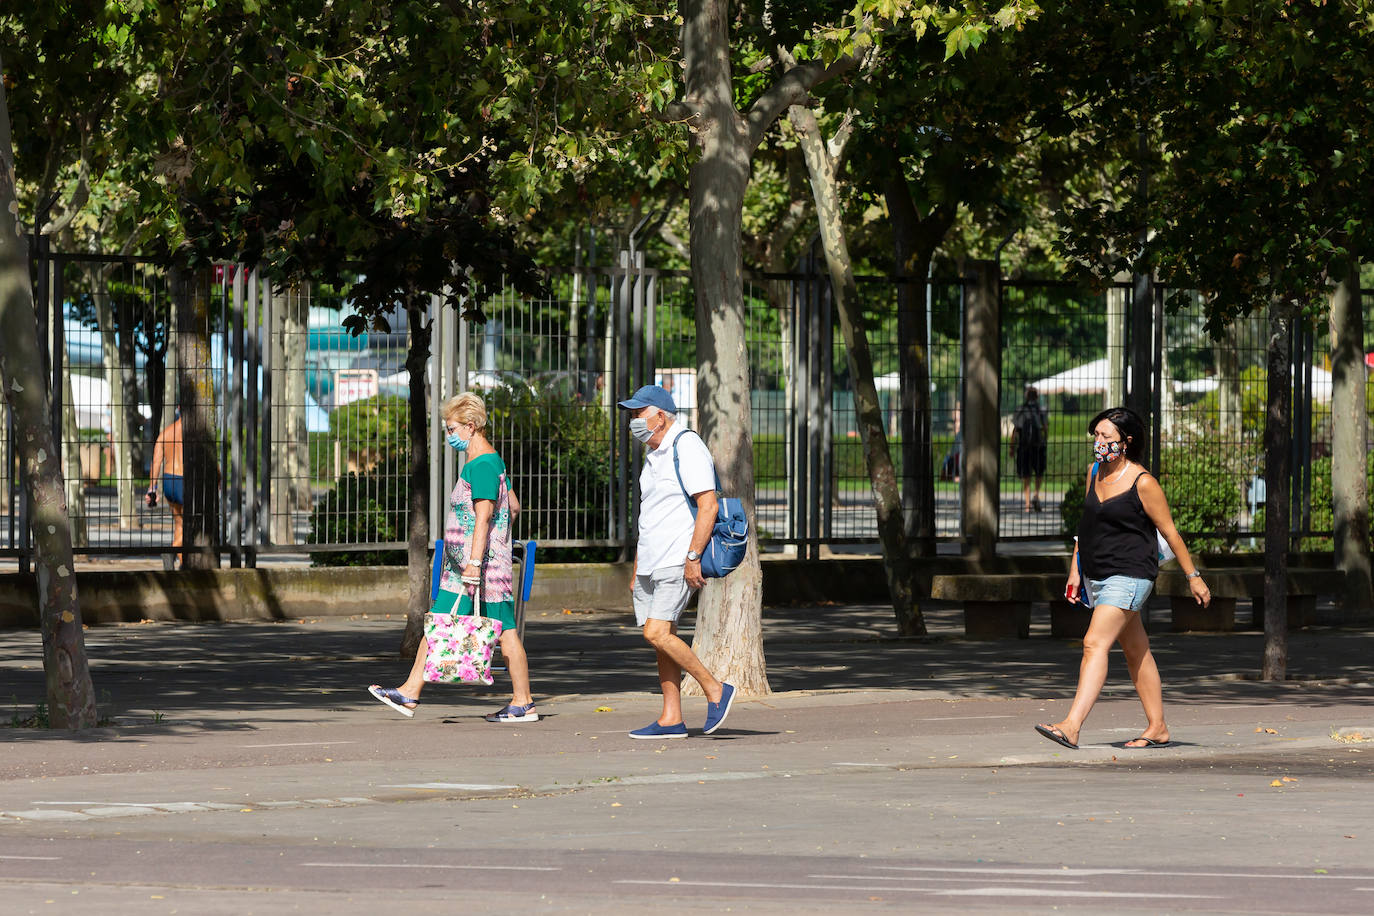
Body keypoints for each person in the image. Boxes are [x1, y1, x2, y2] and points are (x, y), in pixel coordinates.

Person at [1035, 406, 1210, 751]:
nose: (1099, 442)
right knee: (1136, 651)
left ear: (1126, 442)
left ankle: (1071, 726)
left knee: (1093, 644)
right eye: (1096, 436)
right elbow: (1085, 528)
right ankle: (1158, 726)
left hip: (1131, 575)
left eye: (1106, 437)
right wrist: (1076, 567)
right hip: (1098, 574)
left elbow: (1170, 532)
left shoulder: (1143, 482)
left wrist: (1193, 576)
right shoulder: (1095, 472)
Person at [368, 392, 535, 723]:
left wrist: (476, 561)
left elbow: (485, 515)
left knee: (506, 631)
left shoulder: (484, 464)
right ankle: (409, 692)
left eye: (452, 428)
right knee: (438, 622)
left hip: (481, 570)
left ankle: (523, 701)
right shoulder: (486, 462)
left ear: (470, 427)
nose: (449, 435)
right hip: (466, 569)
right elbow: (512, 506)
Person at [617, 384, 736, 739]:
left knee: (656, 632)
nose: (634, 421)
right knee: (660, 637)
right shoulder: (655, 453)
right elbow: (650, 514)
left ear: (660, 416)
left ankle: (715, 689)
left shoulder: (687, 445)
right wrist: (638, 564)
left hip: (676, 555)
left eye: (639, 413)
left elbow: (708, 505)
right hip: (653, 559)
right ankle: (671, 717)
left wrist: (693, 556)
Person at [147, 409, 185, 564]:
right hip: (184, 480)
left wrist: (152, 488)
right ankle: (172, 550)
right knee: (192, 524)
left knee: (179, 524)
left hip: (169, 481)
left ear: (178, 409)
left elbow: (156, 462)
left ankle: (182, 564)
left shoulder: (165, 433)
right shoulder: (195, 432)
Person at [1010, 386, 1048, 512]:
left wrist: (1011, 447)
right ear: (1037, 397)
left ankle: (1027, 505)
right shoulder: (1041, 410)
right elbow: (1045, 428)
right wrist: (1044, 440)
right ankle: (1036, 494)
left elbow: (1015, 431)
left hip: (1024, 446)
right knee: (1039, 473)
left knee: (1026, 475)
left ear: (1026, 396)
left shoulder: (1021, 409)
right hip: (1038, 446)